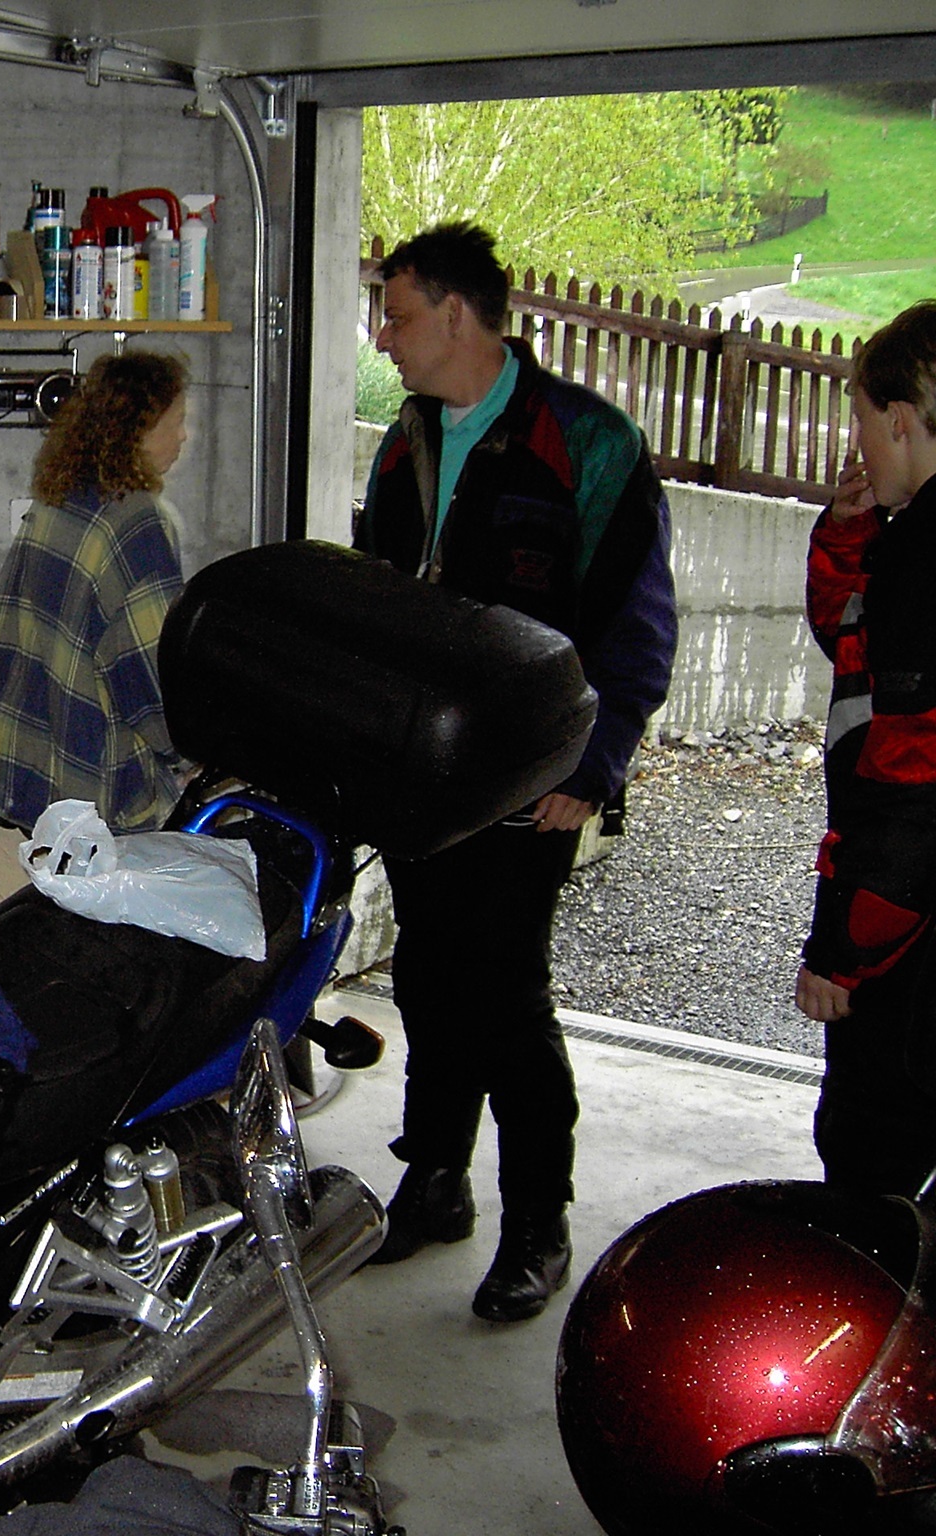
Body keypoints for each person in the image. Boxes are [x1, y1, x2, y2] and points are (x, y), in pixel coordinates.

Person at [355, 222, 677, 1322]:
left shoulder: (587, 442)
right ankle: (434, 1181)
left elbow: (637, 628)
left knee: (503, 997)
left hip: (532, 784)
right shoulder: (402, 444)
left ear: (455, 314)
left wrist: (594, 767)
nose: (383, 337)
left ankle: (538, 1221)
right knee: (426, 980)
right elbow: (381, 605)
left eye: (397, 315)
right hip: (422, 780)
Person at [0, 350, 195, 938]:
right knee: (14, 968)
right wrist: (196, 751)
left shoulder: (64, 499)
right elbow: (152, 674)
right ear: (137, 428)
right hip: (73, 795)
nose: (183, 436)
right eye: (175, 420)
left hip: (14, 771)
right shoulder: (135, 522)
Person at [797, 301, 936, 1196]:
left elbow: (910, 790)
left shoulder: (922, 563)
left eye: (860, 420)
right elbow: (856, 652)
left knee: (871, 1162)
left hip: (912, 948)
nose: (857, 444)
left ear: (900, 419)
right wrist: (851, 536)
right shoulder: (904, 545)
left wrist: (839, 949)